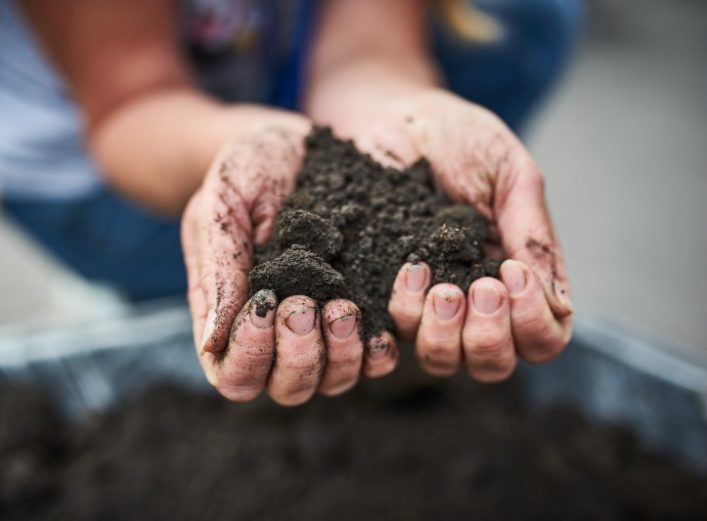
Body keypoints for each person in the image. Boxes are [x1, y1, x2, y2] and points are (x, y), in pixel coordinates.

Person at [0, 0, 579, 405]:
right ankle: (127, 281)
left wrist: (399, 110)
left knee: (527, 16)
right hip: (102, 158)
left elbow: (364, 57)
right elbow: (132, 105)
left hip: (263, 70)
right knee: (235, 312)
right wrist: (237, 148)